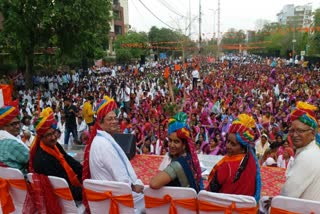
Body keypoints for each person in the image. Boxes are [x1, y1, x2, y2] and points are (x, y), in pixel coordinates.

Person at [82, 96, 144, 213]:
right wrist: (135, 186)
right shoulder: (104, 145)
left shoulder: (100, 140)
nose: (115, 122)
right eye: (110, 119)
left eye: (115, 118)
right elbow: (122, 179)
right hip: (116, 199)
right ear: (100, 122)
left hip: (107, 197)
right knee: (153, 199)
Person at [29, 107, 83, 201]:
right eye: (49, 135)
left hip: (69, 188)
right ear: (41, 138)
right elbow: (61, 187)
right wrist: (85, 192)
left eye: (54, 132)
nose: (54, 137)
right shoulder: (42, 159)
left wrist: (84, 171)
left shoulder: (54, 145)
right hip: (63, 197)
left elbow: (68, 159)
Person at [206, 114, 261, 202]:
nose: (228, 146)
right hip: (246, 208)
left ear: (243, 148)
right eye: (228, 141)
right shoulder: (251, 159)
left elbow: (211, 191)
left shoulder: (227, 165)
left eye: (233, 144)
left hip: (224, 207)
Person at [149, 112, 203, 192]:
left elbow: (153, 183)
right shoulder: (189, 157)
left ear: (184, 145)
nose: (171, 145)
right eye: (170, 140)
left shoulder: (177, 164)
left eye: (176, 142)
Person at [280, 101, 320, 200]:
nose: (294, 135)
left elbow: (287, 195)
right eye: (292, 130)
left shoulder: (307, 156)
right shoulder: (312, 150)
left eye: (300, 131)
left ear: (312, 134)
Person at [0, 101, 29, 171]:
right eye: (13, 124)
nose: (18, 126)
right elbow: (33, 161)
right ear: (3, 127)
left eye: (18, 123)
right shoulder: (12, 144)